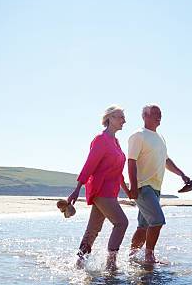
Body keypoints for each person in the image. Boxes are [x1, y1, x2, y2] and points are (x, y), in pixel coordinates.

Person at [67, 105, 130, 270]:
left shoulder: (115, 142)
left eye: (123, 117)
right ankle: (111, 264)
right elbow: (89, 165)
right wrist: (77, 189)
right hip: (101, 191)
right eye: (120, 117)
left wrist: (128, 190)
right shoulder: (101, 140)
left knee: (93, 229)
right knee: (121, 223)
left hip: (111, 191)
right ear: (109, 118)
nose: (124, 120)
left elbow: (118, 172)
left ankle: (79, 262)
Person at [127, 104, 191, 263]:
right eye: (155, 113)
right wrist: (133, 187)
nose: (159, 116)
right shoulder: (138, 135)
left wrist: (181, 174)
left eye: (160, 113)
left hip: (156, 188)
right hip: (143, 187)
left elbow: (166, 161)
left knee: (143, 226)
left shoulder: (160, 138)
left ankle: (132, 256)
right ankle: (149, 256)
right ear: (145, 116)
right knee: (157, 220)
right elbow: (131, 161)